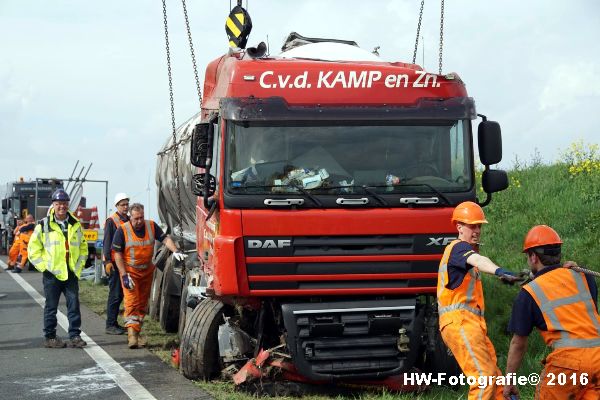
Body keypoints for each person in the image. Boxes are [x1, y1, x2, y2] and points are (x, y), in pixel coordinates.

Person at [504, 225, 600, 399]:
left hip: (569, 364)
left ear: (533, 257)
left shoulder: (529, 293)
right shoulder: (584, 276)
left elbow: (518, 344)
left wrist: (509, 381)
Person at [437, 201, 519, 400]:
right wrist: (500, 270)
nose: (477, 230)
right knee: (484, 378)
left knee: (497, 382)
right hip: (460, 322)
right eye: (472, 226)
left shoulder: (464, 254)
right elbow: (480, 261)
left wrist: (501, 275)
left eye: (479, 226)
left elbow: (479, 262)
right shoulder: (458, 248)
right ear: (459, 227)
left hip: (472, 325)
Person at [111, 203, 186, 348]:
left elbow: (165, 239)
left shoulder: (151, 226)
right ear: (130, 217)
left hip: (146, 273)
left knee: (142, 305)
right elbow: (118, 255)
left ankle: (136, 333)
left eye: (141, 218)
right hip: (130, 273)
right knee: (131, 302)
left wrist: (175, 250)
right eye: (136, 218)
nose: (139, 221)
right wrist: (124, 275)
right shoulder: (122, 230)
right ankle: (132, 337)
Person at [27, 189, 88, 348]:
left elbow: (83, 247)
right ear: (53, 205)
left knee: (74, 306)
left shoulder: (75, 224)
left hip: (71, 273)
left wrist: (79, 266)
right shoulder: (43, 225)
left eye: (64, 203)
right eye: (58, 204)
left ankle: (75, 336)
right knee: (51, 307)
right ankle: (50, 337)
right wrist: (44, 268)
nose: (62, 206)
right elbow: (33, 250)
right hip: (52, 275)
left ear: (68, 205)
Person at [102, 192, 130, 335]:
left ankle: (116, 323)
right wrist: (107, 261)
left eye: (127, 204)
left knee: (123, 295)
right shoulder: (111, 221)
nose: (125, 207)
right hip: (113, 263)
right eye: (122, 205)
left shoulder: (129, 220)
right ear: (116, 206)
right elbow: (107, 242)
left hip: (125, 263)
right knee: (115, 294)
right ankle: (110, 324)